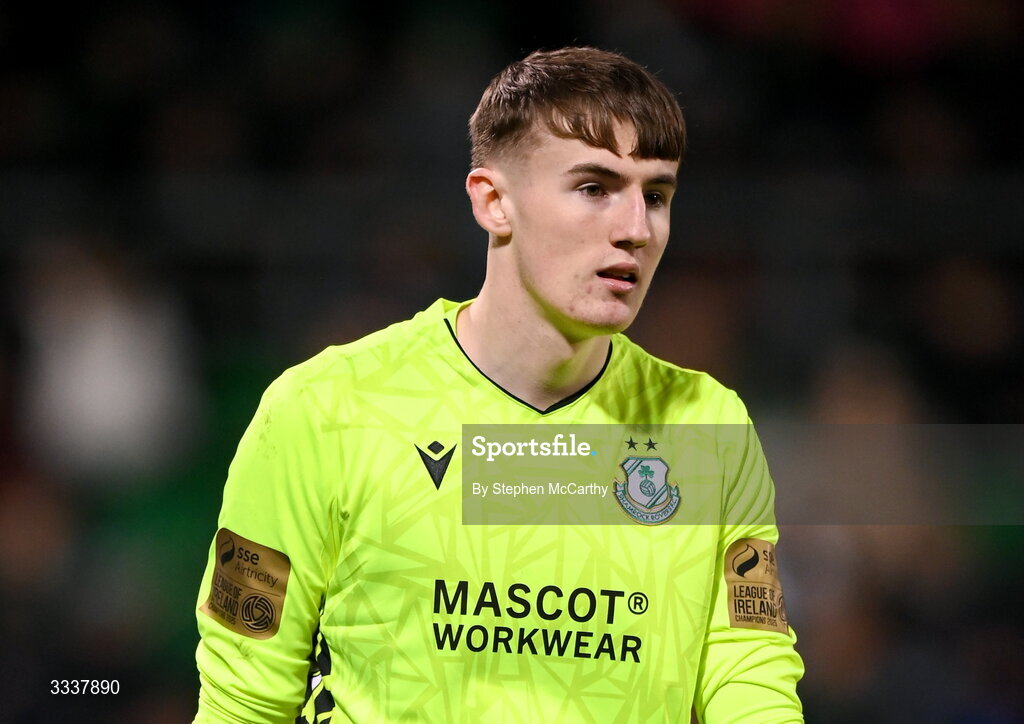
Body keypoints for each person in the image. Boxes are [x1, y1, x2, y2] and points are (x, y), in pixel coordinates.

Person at [193, 47, 803, 723]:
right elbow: (243, 701)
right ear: (493, 202)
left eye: (656, 196)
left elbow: (752, 674)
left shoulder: (705, 429)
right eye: (594, 188)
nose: (635, 230)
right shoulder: (323, 411)